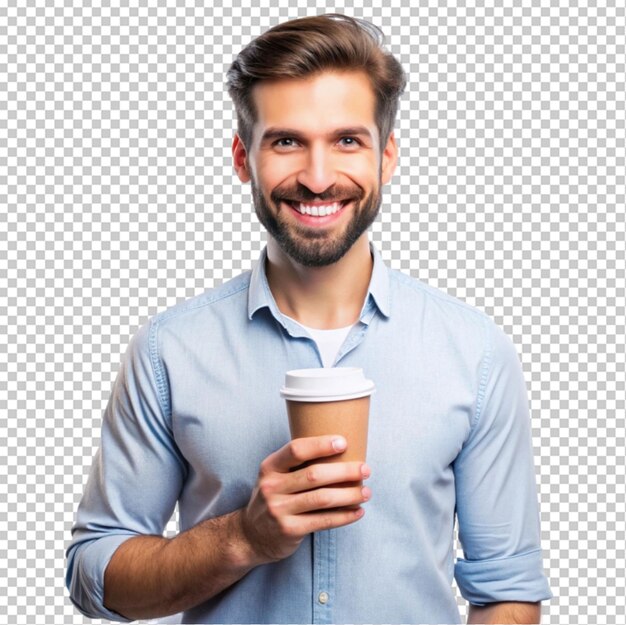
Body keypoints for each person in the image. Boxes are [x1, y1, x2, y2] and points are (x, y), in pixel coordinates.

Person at [66, 13, 552, 624]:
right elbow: (95, 571)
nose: (318, 179)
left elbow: (507, 591)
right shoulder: (169, 351)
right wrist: (242, 538)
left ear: (388, 157)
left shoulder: (475, 353)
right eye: (287, 141)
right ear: (243, 157)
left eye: (347, 140)